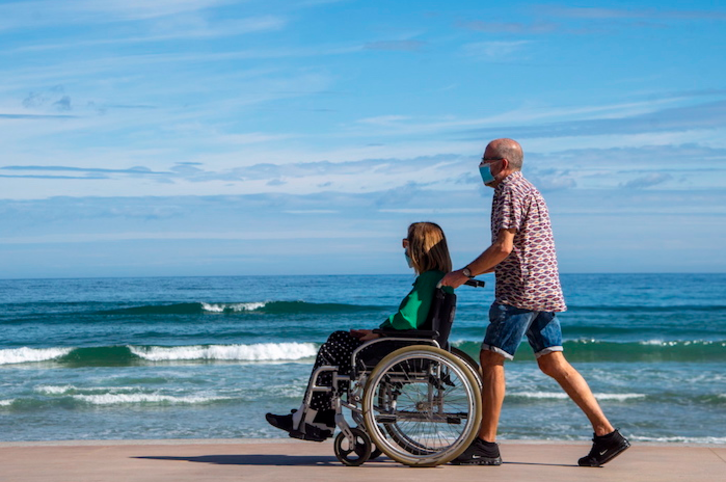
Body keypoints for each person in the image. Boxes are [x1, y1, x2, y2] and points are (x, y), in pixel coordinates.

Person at [441, 138, 630, 467]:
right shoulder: (530, 189)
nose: (480, 166)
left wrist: (464, 272)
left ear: (502, 164)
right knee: (552, 363)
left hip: (521, 289)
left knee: (491, 357)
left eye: (485, 160)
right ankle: (607, 435)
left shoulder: (508, 191)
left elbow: (503, 247)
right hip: (544, 288)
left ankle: (486, 444)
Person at [266, 221, 454, 442]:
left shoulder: (428, 279)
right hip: (409, 345)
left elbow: (406, 320)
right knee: (338, 339)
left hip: (401, 347)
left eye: (406, 243)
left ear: (419, 247)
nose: (405, 250)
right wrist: (377, 332)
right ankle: (315, 417)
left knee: (333, 348)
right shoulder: (440, 278)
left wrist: (379, 334)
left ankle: (312, 417)